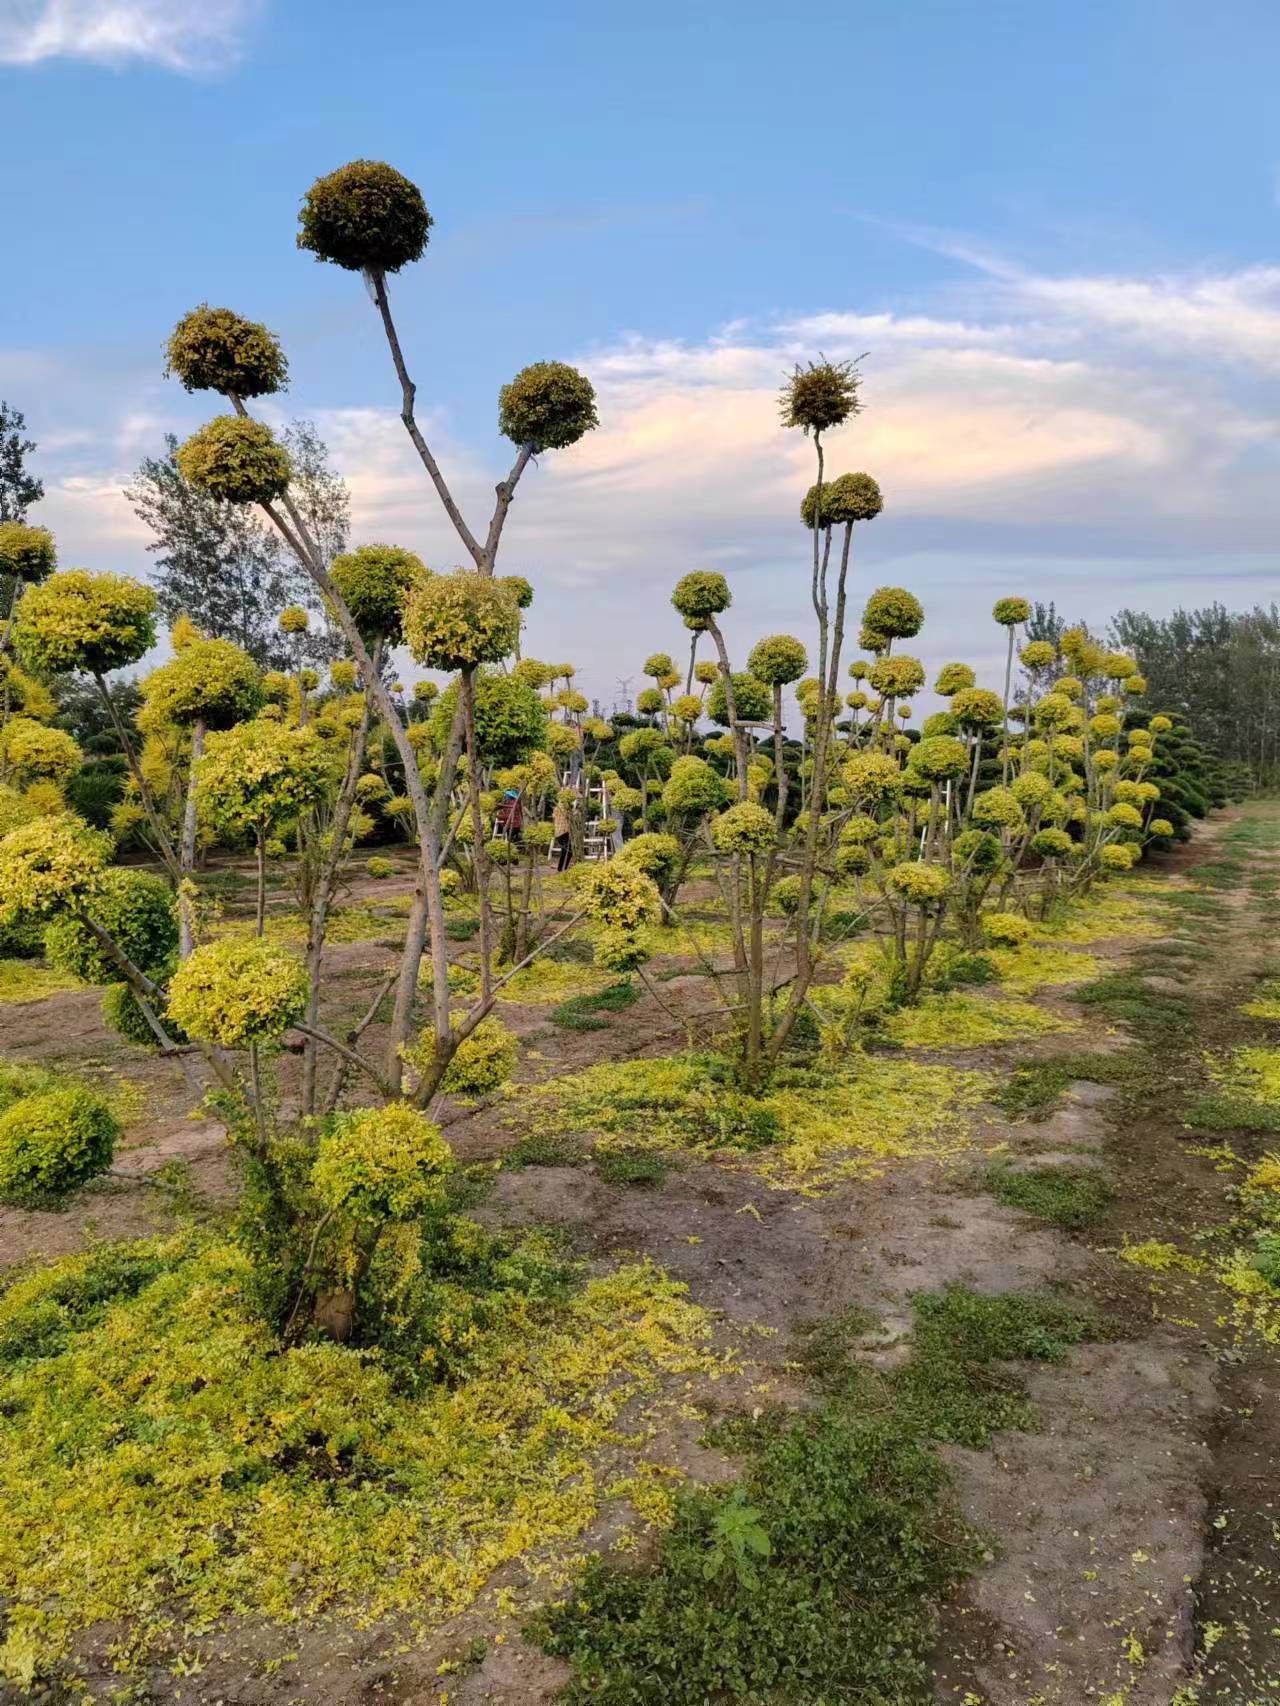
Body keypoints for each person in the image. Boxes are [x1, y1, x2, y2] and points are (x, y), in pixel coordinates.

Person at [551, 792, 574, 871]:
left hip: (558, 832)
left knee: (565, 851)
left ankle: (561, 868)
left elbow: (554, 816)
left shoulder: (557, 808)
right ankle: (562, 868)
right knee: (568, 851)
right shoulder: (566, 809)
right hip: (564, 832)